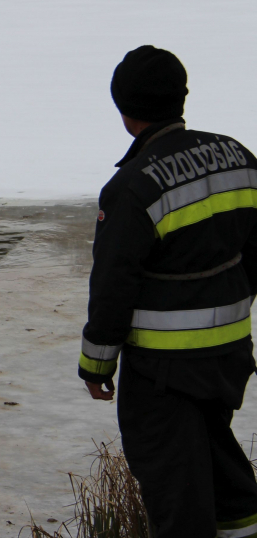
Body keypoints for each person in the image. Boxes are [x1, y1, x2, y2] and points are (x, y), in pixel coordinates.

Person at [80, 45, 257, 538]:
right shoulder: (237, 155)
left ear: (123, 108)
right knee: (224, 476)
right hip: (228, 358)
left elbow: (112, 285)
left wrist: (95, 364)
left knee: (177, 496)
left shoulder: (132, 188)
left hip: (162, 374)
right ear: (180, 97)